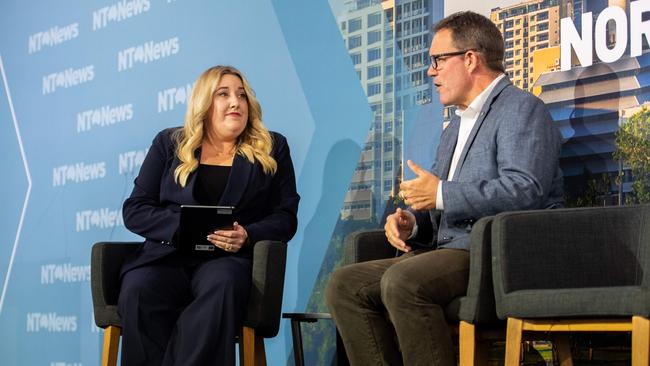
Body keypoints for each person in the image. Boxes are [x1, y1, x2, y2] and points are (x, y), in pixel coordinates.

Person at [326, 11, 564, 366]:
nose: (430, 71)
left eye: (438, 60)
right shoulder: (454, 126)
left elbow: (524, 189)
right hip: (445, 252)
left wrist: (439, 194)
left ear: (470, 59)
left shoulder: (521, 109)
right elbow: (436, 203)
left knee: (403, 281)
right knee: (344, 286)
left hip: (493, 255)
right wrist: (412, 221)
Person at [118, 65, 300, 366]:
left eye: (242, 95)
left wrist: (248, 235)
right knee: (139, 289)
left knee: (222, 283)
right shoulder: (169, 143)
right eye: (223, 94)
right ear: (204, 102)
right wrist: (183, 227)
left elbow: (285, 217)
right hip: (167, 256)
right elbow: (135, 209)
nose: (235, 102)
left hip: (229, 260)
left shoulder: (272, 147)